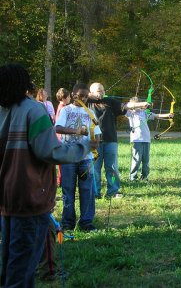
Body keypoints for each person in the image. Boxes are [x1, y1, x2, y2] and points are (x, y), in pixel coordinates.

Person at [0, 63, 92, 287]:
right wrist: (85, 146)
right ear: (24, 83)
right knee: (22, 266)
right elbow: (50, 151)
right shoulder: (33, 109)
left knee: (9, 262)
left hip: (6, 198)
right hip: (30, 197)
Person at [55, 83, 101, 232]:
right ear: (74, 95)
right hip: (68, 156)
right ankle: (68, 222)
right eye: (81, 95)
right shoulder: (66, 110)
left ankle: (86, 222)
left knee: (87, 189)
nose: (83, 98)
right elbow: (58, 128)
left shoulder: (90, 112)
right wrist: (76, 130)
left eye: (86, 96)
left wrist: (96, 142)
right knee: (68, 189)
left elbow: (97, 132)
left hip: (85, 157)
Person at [88, 82, 140, 198]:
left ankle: (112, 191)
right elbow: (77, 97)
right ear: (91, 92)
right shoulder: (87, 102)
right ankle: (95, 193)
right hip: (93, 141)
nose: (102, 92)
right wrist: (91, 96)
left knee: (112, 168)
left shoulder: (110, 101)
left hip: (110, 139)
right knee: (95, 169)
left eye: (103, 90)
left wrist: (141, 104)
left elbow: (126, 106)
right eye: (98, 90)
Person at [125, 97, 174, 181]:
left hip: (146, 139)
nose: (136, 107)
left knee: (146, 160)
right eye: (135, 105)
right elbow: (127, 106)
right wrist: (135, 106)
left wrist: (168, 115)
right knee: (136, 159)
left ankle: (144, 177)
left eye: (138, 104)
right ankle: (133, 177)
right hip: (136, 139)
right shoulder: (129, 113)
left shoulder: (144, 113)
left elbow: (156, 115)